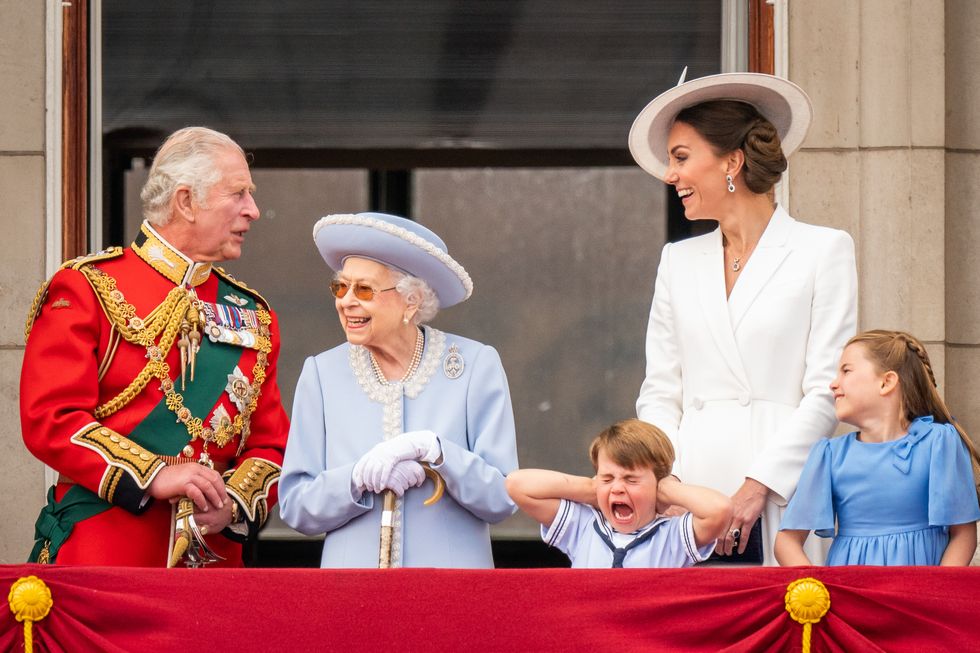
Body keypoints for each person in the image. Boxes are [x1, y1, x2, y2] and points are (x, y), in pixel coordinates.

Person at [21, 126, 290, 566]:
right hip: (106, 558)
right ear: (186, 201)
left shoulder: (253, 314)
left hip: (213, 567)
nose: (254, 211)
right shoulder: (90, 287)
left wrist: (233, 504)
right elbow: (51, 419)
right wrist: (155, 476)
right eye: (238, 194)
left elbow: (272, 447)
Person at [628, 72, 858, 565]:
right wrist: (668, 483)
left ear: (731, 161)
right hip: (688, 501)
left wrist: (760, 485)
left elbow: (826, 390)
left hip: (780, 492)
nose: (671, 175)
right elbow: (661, 390)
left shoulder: (823, 250)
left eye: (682, 158)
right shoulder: (678, 260)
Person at [278, 212, 518, 568]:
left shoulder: (474, 365)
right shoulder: (321, 373)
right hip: (352, 594)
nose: (346, 301)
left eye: (364, 290)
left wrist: (439, 454)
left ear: (412, 300)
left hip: (451, 594)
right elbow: (296, 507)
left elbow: (502, 499)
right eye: (340, 287)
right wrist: (355, 478)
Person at [775, 330, 980, 566]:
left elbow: (963, 535)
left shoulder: (939, 442)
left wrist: (934, 594)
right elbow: (786, 542)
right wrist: (819, 595)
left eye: (846, 371)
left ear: (886, 382)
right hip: (852, 596)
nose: (833, 384)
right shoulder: (830, 455)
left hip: (916, 596)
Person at [506, 418, 731, 568]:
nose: (617, 488)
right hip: (588, 638)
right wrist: (590, 490)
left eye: (631, 480)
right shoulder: (583, 527)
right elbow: (517, 484)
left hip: (645, 639)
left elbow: (720, 509)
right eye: (607, 478)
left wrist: (666, 489)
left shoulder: (672, 537)